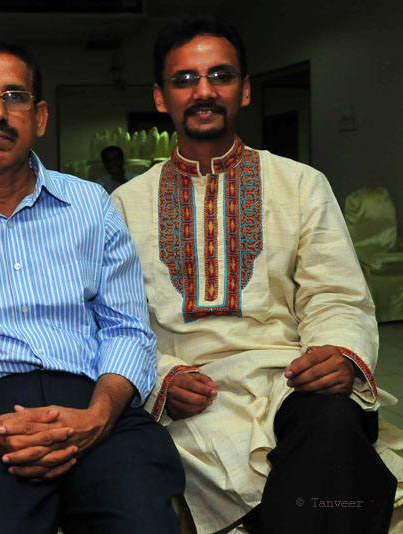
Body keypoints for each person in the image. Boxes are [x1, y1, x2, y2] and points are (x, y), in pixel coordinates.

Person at [111, 14, 401, 534]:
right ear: (160, 97)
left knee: (334, 420)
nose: (204, 91)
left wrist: (337, 352)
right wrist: (160, 379)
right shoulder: (123, 205)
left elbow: (335, 294)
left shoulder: (300, 184)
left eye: (220, 76)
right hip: (189, 396)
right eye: (185, 79)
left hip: (288, 380)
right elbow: (116, 322)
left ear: (244, 90)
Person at [0, 40, 184, 534]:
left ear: (39, 117)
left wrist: (98, 417)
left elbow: (128, 331)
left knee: (140, 521)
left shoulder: (91, 206)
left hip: (94, 410)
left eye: (15, 97)